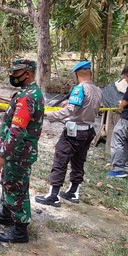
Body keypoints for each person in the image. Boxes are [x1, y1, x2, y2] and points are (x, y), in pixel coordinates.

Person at [0, 58, 45, 243]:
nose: (12, 76)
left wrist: (2, 155)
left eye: (15, 73)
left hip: (18, 152)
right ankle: (7, 214)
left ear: (27, 74)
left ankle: (20, 231)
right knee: (9, 183)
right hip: (19, 152)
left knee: (16, 188)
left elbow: (17, 130)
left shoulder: (27, 97)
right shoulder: (30, 93)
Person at [35, 61, 103, 206]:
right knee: (79, 161)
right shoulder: (98, 90)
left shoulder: (79, 89)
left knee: (60, 160)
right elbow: (91, 108)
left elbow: (70, 110)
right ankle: (73, 192)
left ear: (77, 74)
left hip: (74, 132)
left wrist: (49, 115)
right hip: (88, 131)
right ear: (90, 74)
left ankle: (54, 195)